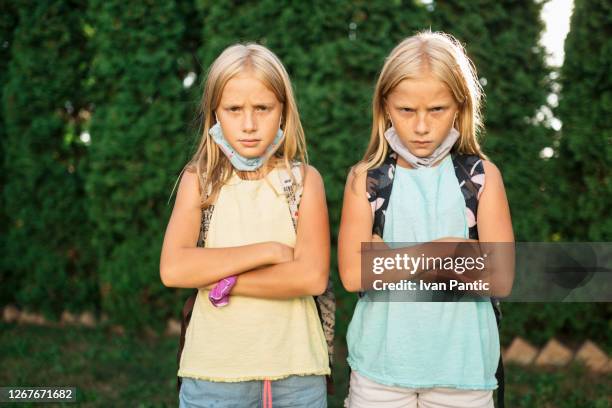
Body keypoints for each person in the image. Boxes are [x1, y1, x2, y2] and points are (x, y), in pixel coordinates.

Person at [338, 31, 514, 408]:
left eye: (436, 110)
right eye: (406, 111)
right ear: (385, 106)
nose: (421, 126)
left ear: (459, 107)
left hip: (463, 372)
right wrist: (449, 252)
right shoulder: (366, 179)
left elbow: (500, 277)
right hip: (379, 373)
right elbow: (353, 275)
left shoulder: (483, 178)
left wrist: (386, 260)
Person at [160, 43, 330, 408]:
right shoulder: (199, 180)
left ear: (283, 110)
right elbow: (174, 269)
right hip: (213, 374)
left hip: (297, 374)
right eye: (234, 110)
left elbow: (311, 278)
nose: (249, 124)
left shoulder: (303, 181)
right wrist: (268, 252)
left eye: (263, 109)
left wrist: (218, 280)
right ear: (215, 113)